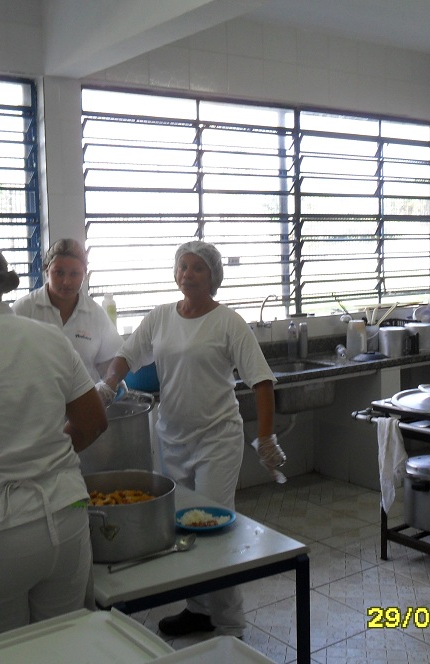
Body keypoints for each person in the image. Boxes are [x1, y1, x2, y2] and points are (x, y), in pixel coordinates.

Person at [99, 240, 279, 639]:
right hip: (172, 439)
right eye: (183, 266)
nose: (188, 274)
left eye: (198, 267)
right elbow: (126, 356)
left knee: (214, 528)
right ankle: (198, 609)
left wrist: (266, 438)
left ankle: (230, 622)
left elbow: (261, 380)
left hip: (217, 439)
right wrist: (108, 385)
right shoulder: (161, 317)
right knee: (182, 526)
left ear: (213, 276)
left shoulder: (228, 322)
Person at [0, 232, 108, 635]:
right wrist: (45, 458)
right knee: (65, 643)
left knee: (8, 650)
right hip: (67, 514)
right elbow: (93, 422)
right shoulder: (47, 337)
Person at [12, 238, 122, 381]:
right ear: (47, 271)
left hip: (85, 394)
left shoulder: (96, 314)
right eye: (59, 273)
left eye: (75, 274)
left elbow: (111, 363)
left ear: (85, 275)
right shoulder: (24, 310)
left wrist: (109, 386)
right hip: (38, 394)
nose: (66, 282)